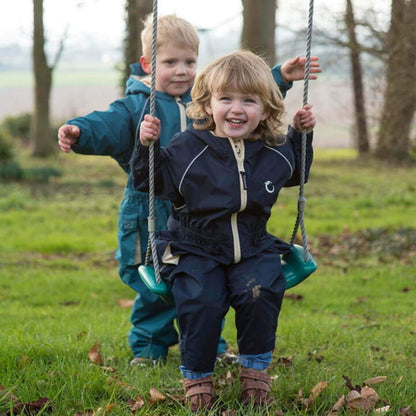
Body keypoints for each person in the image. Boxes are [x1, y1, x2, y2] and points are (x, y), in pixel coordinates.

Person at [57, 13, 321, 366]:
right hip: (150, 209)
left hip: (204, 213)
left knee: (208, 283)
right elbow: (105, 125)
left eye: (190, 62)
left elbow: (240, 96)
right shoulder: (138, 106)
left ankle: (210, 347)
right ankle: (149, 348)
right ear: (147, 64)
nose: (182, 70)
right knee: (158, 290)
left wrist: (280, 77)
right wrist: (78, 132)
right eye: (170, 62)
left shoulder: (204, 105)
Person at [131, 50, 315, 411]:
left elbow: (295, 174)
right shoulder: (187, 148)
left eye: (249, 100)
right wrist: (146, 145)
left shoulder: (273, 149)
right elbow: (149, 181)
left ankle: (255, 373)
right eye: (226, 99)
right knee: (201, 300)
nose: (236, 109)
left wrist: (300, 136)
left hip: (253, 244)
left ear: (265, 108)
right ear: (207, 103)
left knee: (261, 292)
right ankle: (197, 377)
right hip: (193, 246)